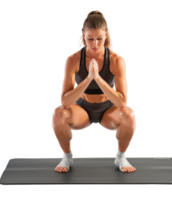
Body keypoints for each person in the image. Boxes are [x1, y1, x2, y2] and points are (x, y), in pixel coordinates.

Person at [51, 10, 137, 173]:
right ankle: (67, 157)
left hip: (108, 111)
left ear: (106, 34)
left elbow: (122, 102)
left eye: (99, 39)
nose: (95, 44)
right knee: (57, 113)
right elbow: (65, 101)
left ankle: (121, 157)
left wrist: (97, 78)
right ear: (83, 35)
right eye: (90, 39)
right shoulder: (73, 60)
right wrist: (88, 79)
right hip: (81, 110)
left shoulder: (117, 60)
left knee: (130, 114)